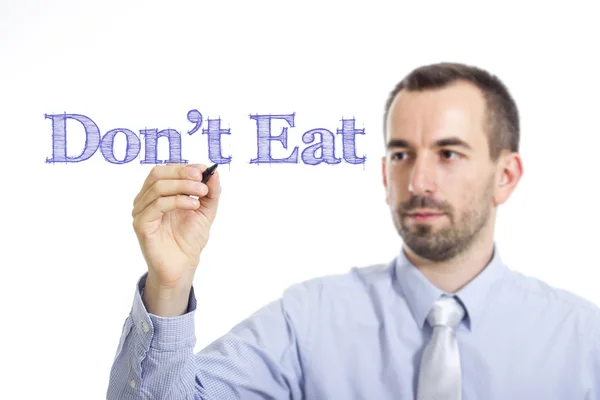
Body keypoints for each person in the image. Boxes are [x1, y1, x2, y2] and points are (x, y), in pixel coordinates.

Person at [107, 62, 600, 400]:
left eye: (449, 154)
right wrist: (168, 287)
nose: (419, 181)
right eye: (403, 155)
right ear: (385, 175)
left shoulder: (584, 342)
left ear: (506, 176)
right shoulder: (306, 322)